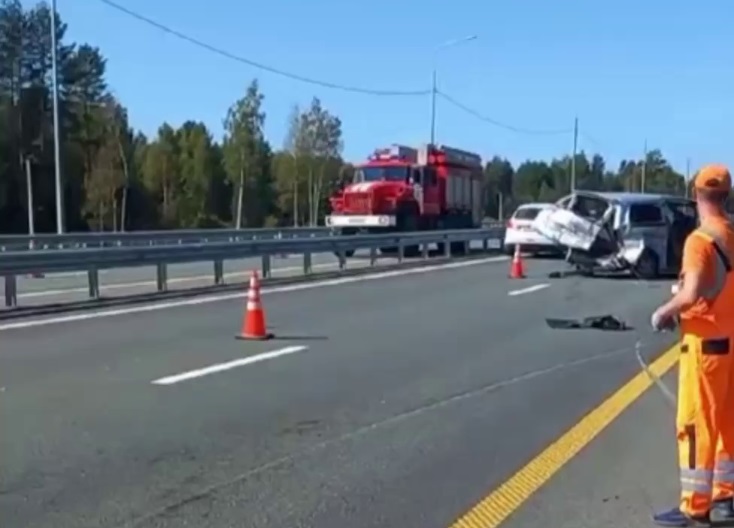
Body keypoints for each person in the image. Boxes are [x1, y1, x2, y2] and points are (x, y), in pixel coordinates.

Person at [651, 163, 734, 526]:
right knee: (727, 422)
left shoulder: (699, 240)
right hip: (731, 341)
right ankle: (726, 495)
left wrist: (664, 312)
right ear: (726, 196)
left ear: (697, 196)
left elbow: (693, 290)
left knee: (696, 423)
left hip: (705, 346)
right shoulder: (732, 234)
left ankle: (694, 505)